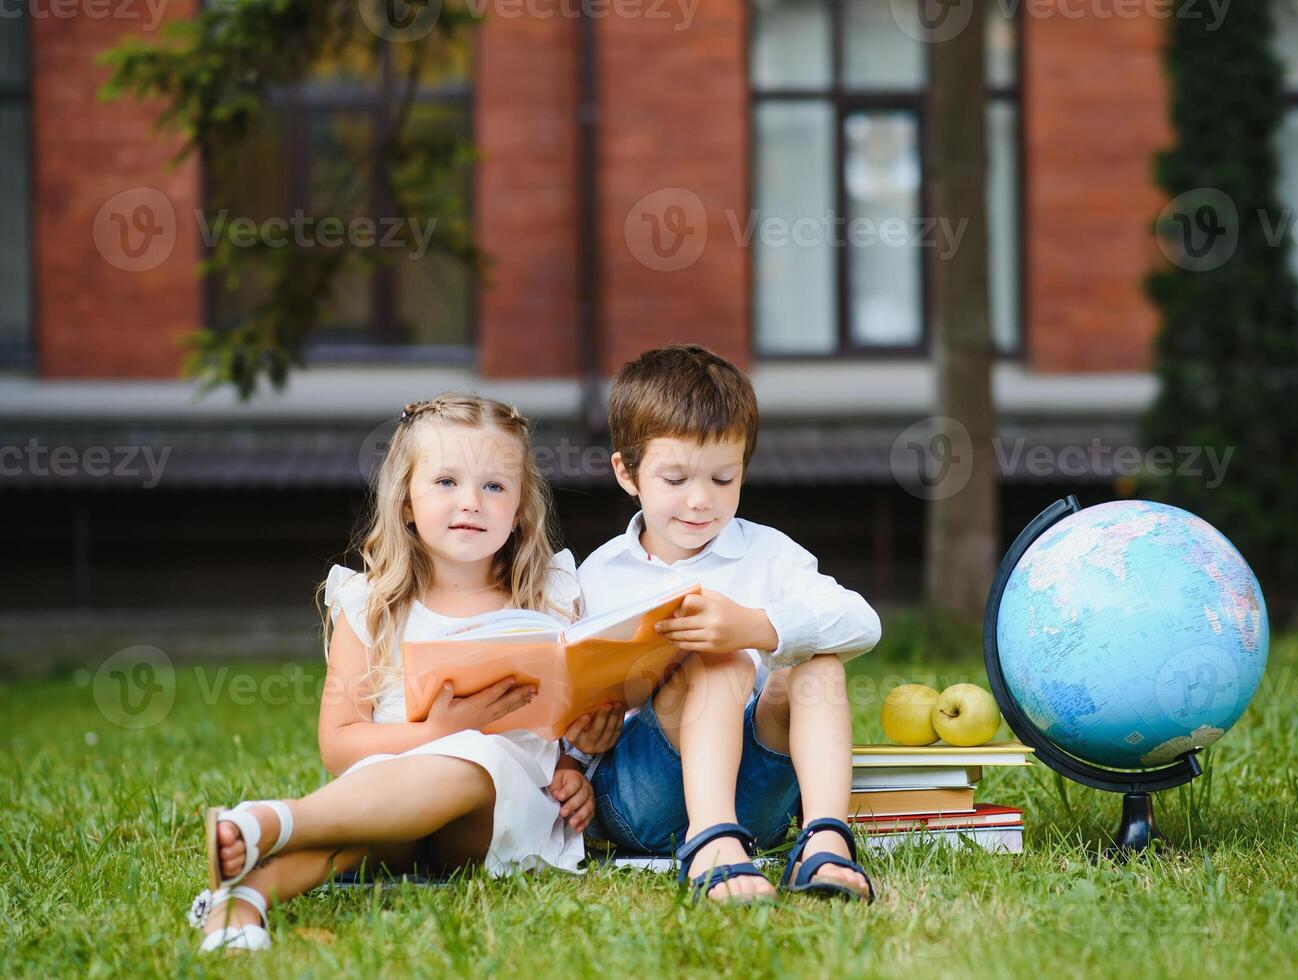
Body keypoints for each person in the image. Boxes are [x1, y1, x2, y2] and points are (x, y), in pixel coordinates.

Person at [188, 393, 623, 952]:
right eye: (446, 482)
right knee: (369, 821)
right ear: (407, 502)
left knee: (477, 756)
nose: (471, 502)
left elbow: (570, 716)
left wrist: (574, 766)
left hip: (499, 818)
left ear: (519, 509)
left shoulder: (552, 597)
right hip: (384, 804)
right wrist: (432, 733)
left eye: (494, 486)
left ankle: (275, 821)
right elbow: (338, 742)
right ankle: (241, 901)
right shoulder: (371, 603)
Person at [576, 345, 882, 904]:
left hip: (760, 802)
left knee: (817, 661)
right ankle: (709, 844)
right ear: (627, 473)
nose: (700, 501)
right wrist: (575, 756)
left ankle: (824, 840)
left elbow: (862, 622)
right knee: (714, 662)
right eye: (675, 478)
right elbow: (566, 683)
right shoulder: (597, 575)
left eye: (723, 478)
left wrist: (755, 626)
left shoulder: (767, 553)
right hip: (648, 799)